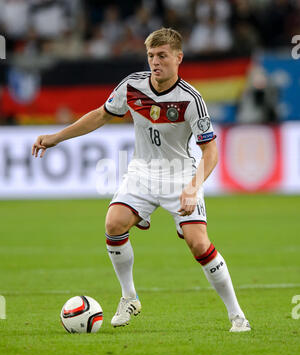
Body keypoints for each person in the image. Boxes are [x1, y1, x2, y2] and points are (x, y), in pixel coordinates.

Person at [32, 27, 251, 333]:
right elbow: (100, 115)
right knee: (113, 223)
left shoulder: (191, 100)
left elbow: (210, 151)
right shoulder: (132, 86)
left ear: (178, 58)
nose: (155, 62)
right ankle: (129, 297)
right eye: (151, 55)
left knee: (198, 243)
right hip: (142, 172)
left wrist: (193, 187)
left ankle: (237, 316)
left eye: (162, 55)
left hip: (180, 176)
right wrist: (57, 137)